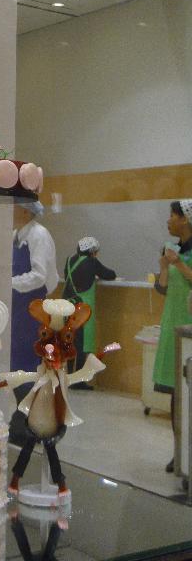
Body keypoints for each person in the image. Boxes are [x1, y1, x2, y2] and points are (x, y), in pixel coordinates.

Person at [153, 199, 192, 473]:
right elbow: (162, 289)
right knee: (177, 395)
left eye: (172, 216)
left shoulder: (180, 256)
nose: (168, 220)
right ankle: (179, 453)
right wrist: (165, 268)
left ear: (185, 220)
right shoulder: (171, 249)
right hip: (172, 325)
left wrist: (178, 263)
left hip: (190, 328)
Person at [11, 201, 59, 374]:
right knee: (15, 352)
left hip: (32, 304)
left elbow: (39, 276)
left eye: (14, 206)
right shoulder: (15, 234)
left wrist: (9, 283)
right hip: (17, 304)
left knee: (28, 352)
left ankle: (29, 389)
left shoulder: (39, 234)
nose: (10, 210)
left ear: (25, 211)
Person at [63, 236, 117, 387]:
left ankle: (69, 377)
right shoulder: (92, 262)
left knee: (71, 340)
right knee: (82, 343)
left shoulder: (69, 260)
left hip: (68, 305)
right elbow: (110, 274)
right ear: (92, 251)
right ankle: (78, 381)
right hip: (83, 308)